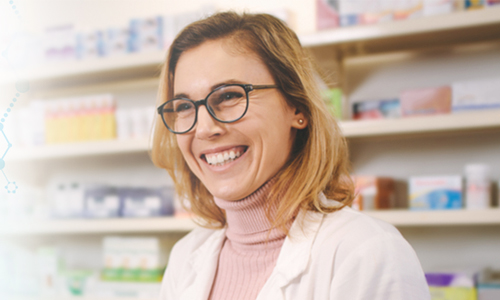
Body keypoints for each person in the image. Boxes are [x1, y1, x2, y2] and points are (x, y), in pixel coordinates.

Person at [151, 11, 431, 300]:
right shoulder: (186, 257)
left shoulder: (365, 252)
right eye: (184, 106)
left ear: (297, 107)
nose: (204, 128)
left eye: (229, 96)